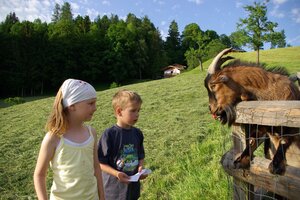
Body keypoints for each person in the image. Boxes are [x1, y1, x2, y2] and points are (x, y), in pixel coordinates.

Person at [34, 79, 105, 200]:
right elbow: (39, 175)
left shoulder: (91, 132)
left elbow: (96, 167)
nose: (95, 108)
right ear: (72, 106)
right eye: (91, 103)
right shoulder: (54, 138)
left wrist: (102, 197)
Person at [98, 89, 147, 200]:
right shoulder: (109, 134)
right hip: (113, 191)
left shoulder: (137, 133)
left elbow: (140, 156)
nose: (137, 114)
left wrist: (140, 169)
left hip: (132, 189)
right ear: (119, 112)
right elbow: (100, 163)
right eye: (133, 111)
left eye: (139, 110)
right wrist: (117, 174)